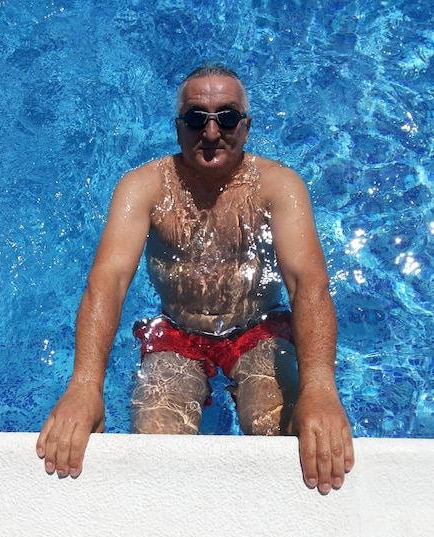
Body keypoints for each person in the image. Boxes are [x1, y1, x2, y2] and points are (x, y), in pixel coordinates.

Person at [36, 63, 354, 494]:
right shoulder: (143, 187)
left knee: (281, 443)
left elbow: (308, 283)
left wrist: (320, 390)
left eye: (225, 117)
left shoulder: (279, 186)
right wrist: (84, 387)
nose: (210, 131)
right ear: (178, 126)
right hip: (178, 338)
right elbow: (107, 281)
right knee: (156, 456)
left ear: (245, 126)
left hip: (258, 333)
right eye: (195, 118)